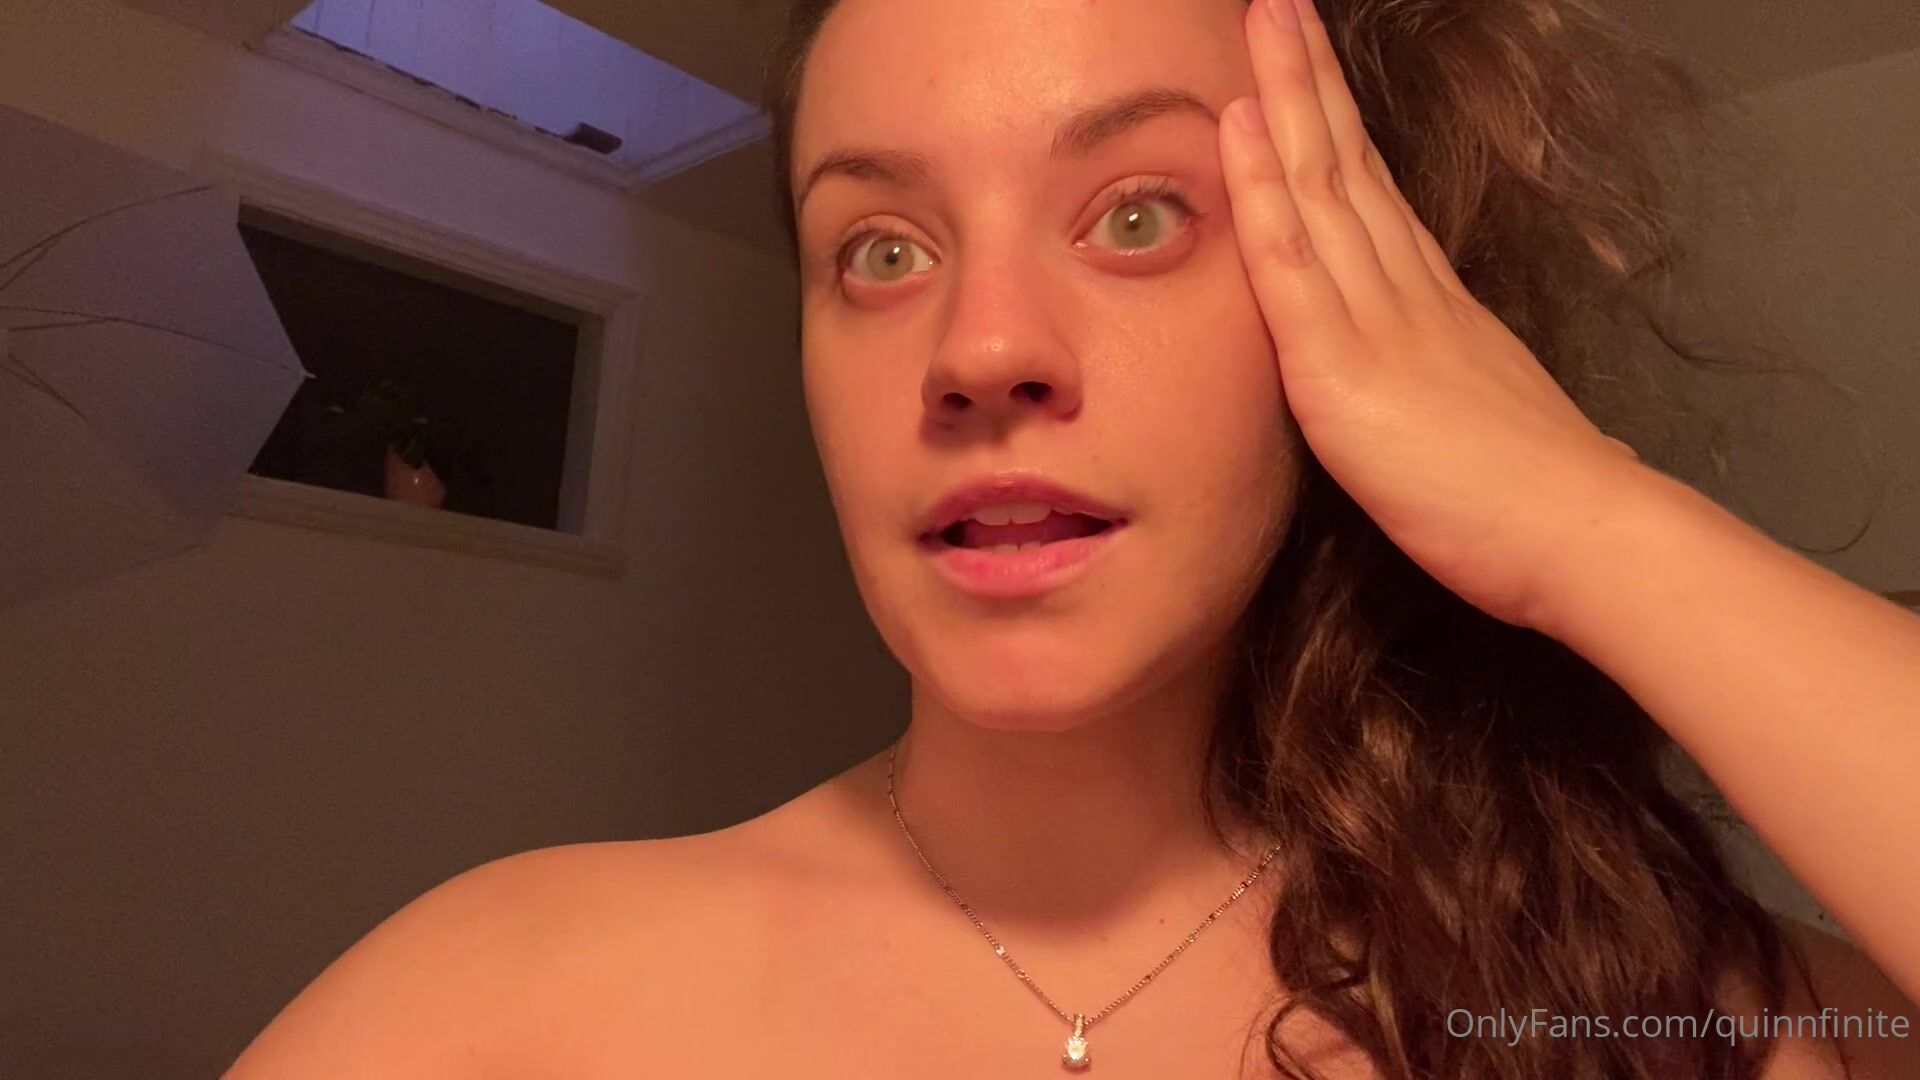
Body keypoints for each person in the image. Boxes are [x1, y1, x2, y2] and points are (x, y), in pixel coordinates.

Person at [227, 0, 1920, 1076]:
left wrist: (1578, 512)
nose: (978, 350)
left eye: (1137, 215)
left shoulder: (1620, 999)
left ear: (1361, 300)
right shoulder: (499, 1000)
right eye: (881, 250)